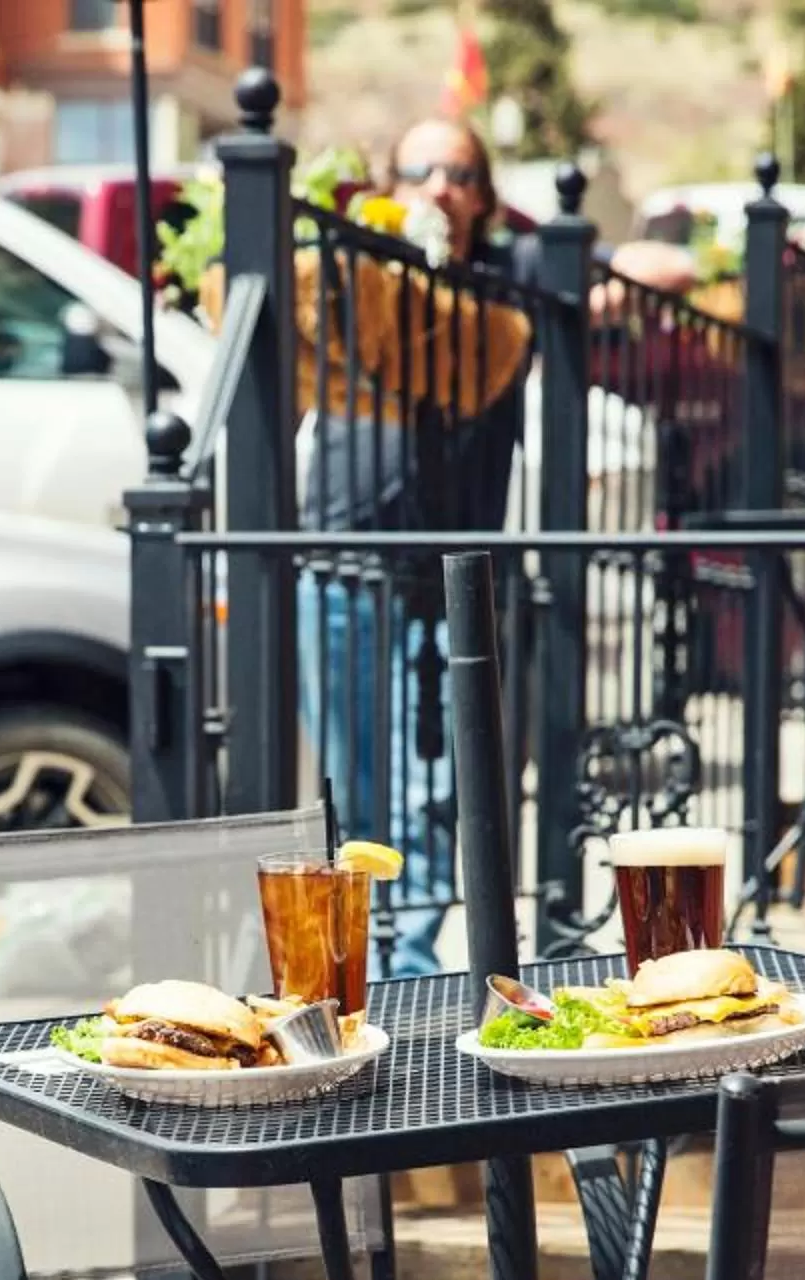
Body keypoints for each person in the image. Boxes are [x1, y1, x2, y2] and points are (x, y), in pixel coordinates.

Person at [299, 118, 529, 976]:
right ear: (391, 186)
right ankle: (365, 964)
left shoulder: (505, 294)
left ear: (485, 195)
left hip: (444, 580)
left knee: (433, 791)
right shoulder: (350, 277)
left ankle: (414, 970)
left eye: (461, 172)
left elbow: (633, 278)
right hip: (339, 563)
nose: (442, 185)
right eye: (423, 168)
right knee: (354, 795)